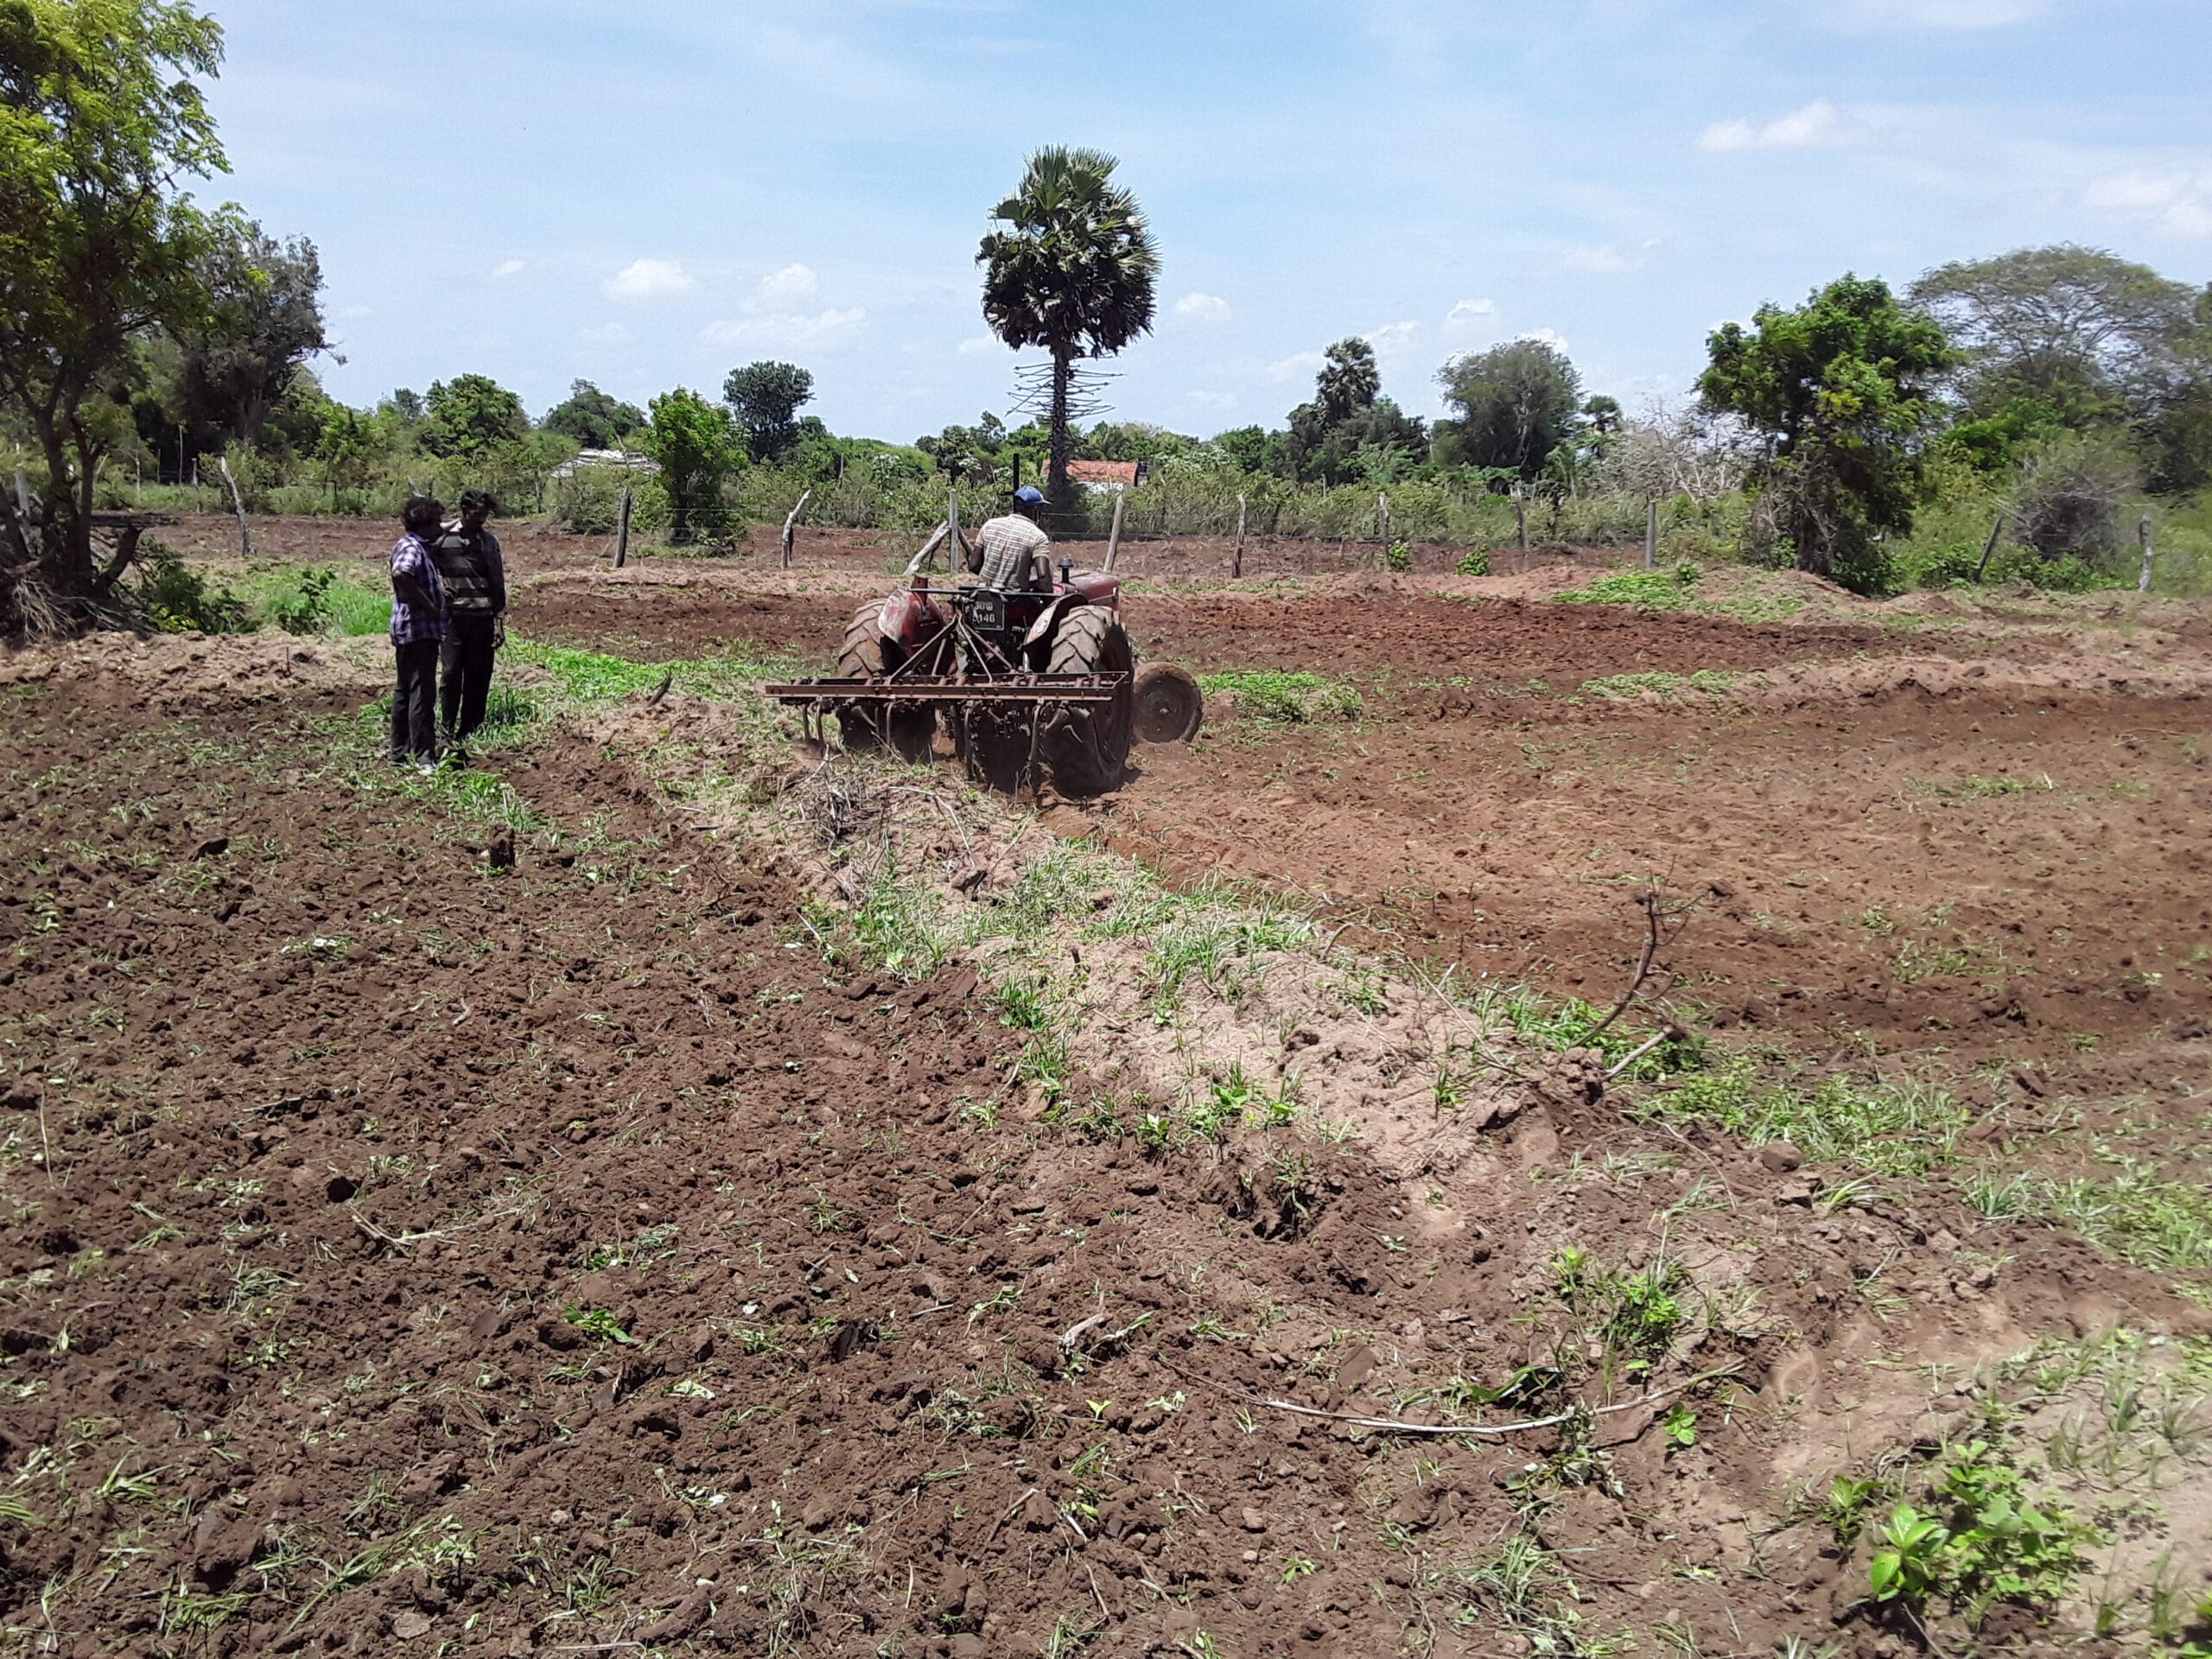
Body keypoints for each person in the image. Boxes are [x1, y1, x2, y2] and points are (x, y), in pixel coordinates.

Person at [431, 488, 508, 748]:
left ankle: (471, 729)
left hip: (482, 617)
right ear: (464, 512)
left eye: (484, 515)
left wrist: (499, 620)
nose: (481, 520)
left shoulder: (488, 542)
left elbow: (497, 582)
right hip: (452, 618)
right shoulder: (443, 540)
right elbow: (424, 566)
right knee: (451, 673)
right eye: (477, 514)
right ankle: (446, 728)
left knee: (479, 675)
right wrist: (438, 588)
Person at [389, 495, 448, 769]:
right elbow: (401, 574)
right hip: (418, 630)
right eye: (436, 522)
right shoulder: (413, 547)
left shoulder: (416, 544)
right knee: (422, 693)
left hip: (413, 630)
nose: (440, 527)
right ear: (424, 525)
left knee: (406, 689)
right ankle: (424, 756)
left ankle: (399, 753)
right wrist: (428, 605)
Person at [970, 485, 1052, 591]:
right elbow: (1043, 577)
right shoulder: (1038, 537)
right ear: (1035, 510)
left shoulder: (989, 525)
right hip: (1013, 599)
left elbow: (974, 566)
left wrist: (995, 577)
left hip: (982, 594)